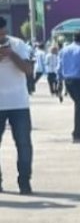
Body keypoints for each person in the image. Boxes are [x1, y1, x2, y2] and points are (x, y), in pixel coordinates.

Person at [0, 17, 35, 194]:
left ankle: (24, 181)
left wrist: (11, 54)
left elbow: (28, 70)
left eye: (2, 34)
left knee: (23, 144)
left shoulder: (18, 44)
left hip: (18, 103)